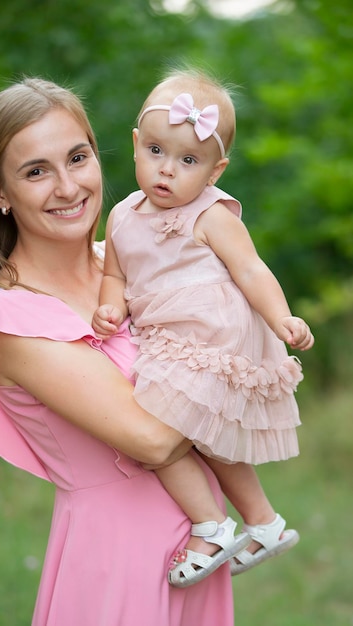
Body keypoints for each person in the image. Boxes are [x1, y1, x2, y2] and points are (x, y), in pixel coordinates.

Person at [0, 78, 235, 625]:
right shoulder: (13, 321)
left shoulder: (132, 267)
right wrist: (239, 354)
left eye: (78, 157)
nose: (68, 187)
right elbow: (154, 437)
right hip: (118, 560)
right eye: (35, 171)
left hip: (200, 550)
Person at [92, 68, 315, 587]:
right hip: (164, 338)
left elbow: (251, 270)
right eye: (155, 151)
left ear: (216, 171)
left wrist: (281, 317)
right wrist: (110, 308)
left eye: (187, 161)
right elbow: (115, 273)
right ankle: (265, 523)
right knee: (202, 440)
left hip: (212, 339)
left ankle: (211, 526)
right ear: (134, 144)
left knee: (155, 425)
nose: (166, 171)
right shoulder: (122, 216)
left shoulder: (212, 214)